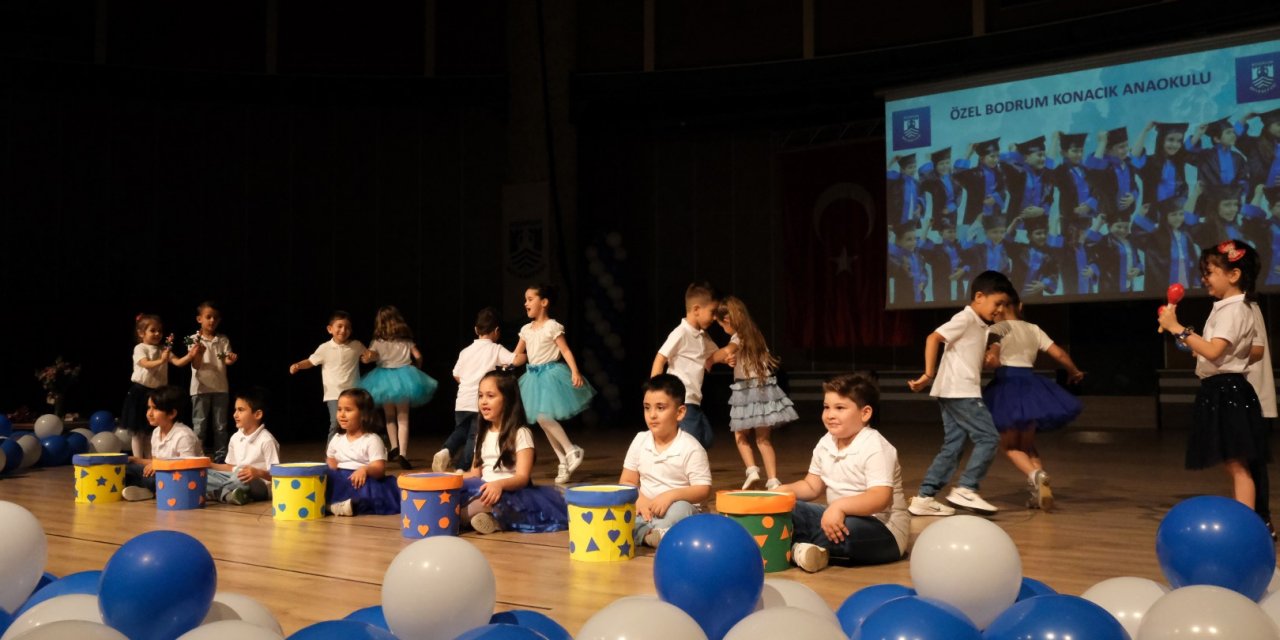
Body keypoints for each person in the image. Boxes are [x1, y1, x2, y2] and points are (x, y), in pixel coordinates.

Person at [1158, 240, 1267, 513]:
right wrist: (1186, 338)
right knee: (1235, 464)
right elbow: (1212, 352)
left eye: (1210, 272)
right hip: (1221, 388)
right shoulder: (1226, 308)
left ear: (1234, 275)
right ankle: (1246, 519)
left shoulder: (1234, 309)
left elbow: (1215, 351)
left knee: (1237, 464)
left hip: (1226, 390)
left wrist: (1178, 328)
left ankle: (1247, 523)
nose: (1204, 279)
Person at [907, 270, 1015, 516]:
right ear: (979, 296)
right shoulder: (965, 318)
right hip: (960, 390)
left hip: (953, 390)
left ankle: (924, 496)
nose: (999, 309)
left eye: (1004, 305)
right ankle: (966, 488)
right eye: (997, 303)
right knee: (988, 437)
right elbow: (933, 337)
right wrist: (927, 373)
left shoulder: (980, 325)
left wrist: (988, 357)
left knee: (953, 446)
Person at [779, 372, 909, 572]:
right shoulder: (826, 442)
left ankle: (794, 545)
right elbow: (811, 486)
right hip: (836, 516)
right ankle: (803, 550)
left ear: (865, 413)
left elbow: (879, 497)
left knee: (849, 532)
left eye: (840, 408)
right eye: (826, 407)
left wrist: (838, 507)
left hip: (882, 529)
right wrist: (781, 492)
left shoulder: (875, 446)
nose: (830, 415)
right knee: (788, 508)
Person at [982, 296, 1085, 511]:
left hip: (1007, 387)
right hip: (1031, 388)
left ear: (999, 308)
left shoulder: (998, 328)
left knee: (1010, 446)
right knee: (1027, 445)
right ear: (1020, 306)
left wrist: (986, 360)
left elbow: (993, 359)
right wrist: (1074, 371)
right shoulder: (1033, 329)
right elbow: (1059, 353)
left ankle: (1036, 475)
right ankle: (1039, 491)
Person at [461, 369, 569, 534]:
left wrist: (499, 485)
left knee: (462, 514)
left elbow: (522, 478)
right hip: (483, 488)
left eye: (490, 396)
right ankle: (491, 518)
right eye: (480, 396)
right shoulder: (481, 434)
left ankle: (497, 519)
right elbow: (475, 474)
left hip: (509, 492)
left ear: (507, 400)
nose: (483, 402)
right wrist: (449, 477)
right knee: (451, 500)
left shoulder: (521, 434)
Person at [708, 296, 797, 491]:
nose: (723, 329)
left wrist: (710, 359)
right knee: (763, 439)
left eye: (721, 325)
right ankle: (773, 479)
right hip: (765, 389)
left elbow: (727, 350)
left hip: (747, 391)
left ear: (728, 321)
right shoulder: (755, 335)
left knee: (740, 435)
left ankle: (752, 470)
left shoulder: (737, 338)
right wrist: (733, 361)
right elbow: (743, 357)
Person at [619, 374, 712, 548]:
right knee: (620, 510)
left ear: (680, 412)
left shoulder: (691, 447)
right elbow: (627, 481)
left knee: (681, 509)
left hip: (677, 510)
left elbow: (703, 489)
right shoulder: (640, 440)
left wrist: (670, 496)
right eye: (647, 408)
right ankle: (652, 535)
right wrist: (640, 500)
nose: (652, 415)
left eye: (660, 408)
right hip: (646, 510)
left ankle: (647, 534)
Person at [514, 284, 595, 484]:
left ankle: (571, 450)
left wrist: (575, 371)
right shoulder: (526, 330)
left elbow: (565, 351)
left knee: (543, 417)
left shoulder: (552, 326)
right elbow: (517, 355)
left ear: (544, 302)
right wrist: (498, 358)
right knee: (543, 422)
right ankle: (563, 461)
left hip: (550, 375)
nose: (526, 303)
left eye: (530, 299)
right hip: (532, 378)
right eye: (525, 300)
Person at [434, 307, 516, 473]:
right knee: (475, 437)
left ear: (476, 330)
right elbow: (515, 359)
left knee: (461, 432)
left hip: (462, 400)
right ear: (497, 331)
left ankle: (446, 450)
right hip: (481, 401)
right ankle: (462, 468)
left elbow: (456, 375)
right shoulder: (496, 349)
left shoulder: (465, 351)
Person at [360, 305, 438, 469]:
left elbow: (370, 357)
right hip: (405, 377)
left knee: (389, 416)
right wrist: (417, 368)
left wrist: (367, 357)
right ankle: (402, 453)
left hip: (383, 379)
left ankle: (393, 446)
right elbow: (418, 356)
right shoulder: (406, 340)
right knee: (403, 418)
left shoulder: (377, 342)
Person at [652, 281, 720, 451]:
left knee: (706, 438)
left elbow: (715, 355)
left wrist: (731, 353)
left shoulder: (703, 337)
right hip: (681, 397)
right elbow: (660, 358)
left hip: (694, 399)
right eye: (712, 312)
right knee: (693, 442)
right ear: (696, 309)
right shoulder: (681, 333)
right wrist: (654, 391)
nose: (714, 317)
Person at [122, 314, 198, 458]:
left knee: (151, 430)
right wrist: (161, 360)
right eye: (153, 330)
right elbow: (145, 364)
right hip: (140, 392)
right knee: (138, 431)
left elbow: (178, 362)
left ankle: (151, 461)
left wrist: (191, 355)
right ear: (141, 333)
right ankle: (138, 460)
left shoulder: (164, 349)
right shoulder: (140, 348)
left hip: (157, 394)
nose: (157, 334)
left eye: (160, 331)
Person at [290, 311, 368, 445]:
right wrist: (298, 365)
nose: (343, 330)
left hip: (353, 392)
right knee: (336, 424)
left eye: (347, 327)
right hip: (334, 394)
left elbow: (368, 356)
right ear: (330, 329)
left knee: (356, 423)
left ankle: (354, 452)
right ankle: (331, 457)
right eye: (340, 326)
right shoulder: (324, 348)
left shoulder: (356, 345)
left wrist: (371, 356)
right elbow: (310, 361)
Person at [325, 388, 400, 516]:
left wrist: (365, 470)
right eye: (339, 409)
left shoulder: (371, 440)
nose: (342, 414)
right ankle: (334, 505)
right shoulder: (337, 439)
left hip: (362, 479)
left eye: (348, 410)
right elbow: (330, 458)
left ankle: (344, 506)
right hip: (341, 478)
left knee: (366, 492)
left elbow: (379, 468)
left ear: (363, 414)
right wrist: (331, 463)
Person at [122, 385, 203, 501]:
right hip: (161, 473)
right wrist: (135, 460)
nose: (149, 413)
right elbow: (155, 462)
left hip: (179, 479)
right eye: (148, 408)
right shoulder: (156, 432)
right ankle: (148, 491)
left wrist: (159, 466)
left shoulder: (183, 435)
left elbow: (187, 467)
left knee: (152, 479)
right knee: (126, 469)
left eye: (155, 409)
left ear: (171, 414)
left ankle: (149, 489)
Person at [205, 387, 280, 505]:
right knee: (204, 473)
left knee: (240, 478)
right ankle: (229, 495)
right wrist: (209, 465)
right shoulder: (235, 437)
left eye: (241, 410)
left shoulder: (267, 440)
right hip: (235, 477)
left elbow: (277, 475)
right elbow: (231, 467)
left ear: (258, 414)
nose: (235, 414)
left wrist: (257, 473)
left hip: (258, 483)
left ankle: (217, 493)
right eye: (235, 410)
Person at [187, 301, 238, 463]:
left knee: (220, 427)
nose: (212, 321)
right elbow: (195, 364)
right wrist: (199, 353)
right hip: (200, 389)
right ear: (199, 319)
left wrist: (231, 359)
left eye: (215, 318)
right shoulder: (192, 339)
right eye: (208, 317)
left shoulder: (222, 340)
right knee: (199, 426)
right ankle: (197, 456)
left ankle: (221, 457)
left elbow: (225, 359)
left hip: (220, 388)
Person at [1245, 295, 1277, 538]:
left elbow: (1253, 351)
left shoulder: (1247, 309)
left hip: (1250, 398)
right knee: (1244, 463)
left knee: (1252, 463)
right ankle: (1255, 520)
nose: (1205, 279)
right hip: (1242, 398)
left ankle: (1261, 521)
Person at [1130, 193, 1201, 292]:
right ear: (1165, 217)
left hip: (1185, 279)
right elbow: (1137, 234)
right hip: (1164, 283)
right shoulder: (1156, 236)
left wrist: (1196, 282)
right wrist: (1141, 214)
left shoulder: (1186, 236)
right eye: (1173, 214)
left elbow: (1193, 261)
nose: (1178, 218)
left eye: (1181, 214)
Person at [1133, 121, 1196, 209]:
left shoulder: (1178, 162)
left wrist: (1199, 133)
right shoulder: (1150, 163)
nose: (1175, 145)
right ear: (1161, 140)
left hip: (1174, 215)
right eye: (1170, 140)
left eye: (1179, 141)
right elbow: (1135, 157)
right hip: (1154, 216)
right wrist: (1145, 130)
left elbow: (1189, 145)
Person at [1084, 127, 1140, 221]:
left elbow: (1134, 185)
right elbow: (1091, 174)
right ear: (1108, 150)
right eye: (1121, 147)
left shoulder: (1128, 164)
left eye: (1127, 145)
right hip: (1108, 216)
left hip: (1126, 214)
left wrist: (1133, 196)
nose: (1126, 150)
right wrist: (1102, 143)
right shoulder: (1105, 167)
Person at [888, 222, 929, 304]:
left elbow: (924, 272)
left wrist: (923, 282)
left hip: (919, 298)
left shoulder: (918, 257)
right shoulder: (895, 257)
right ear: (898, 242)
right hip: (903, 301)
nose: (913, 242)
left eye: (915, 239)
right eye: (909, 240)